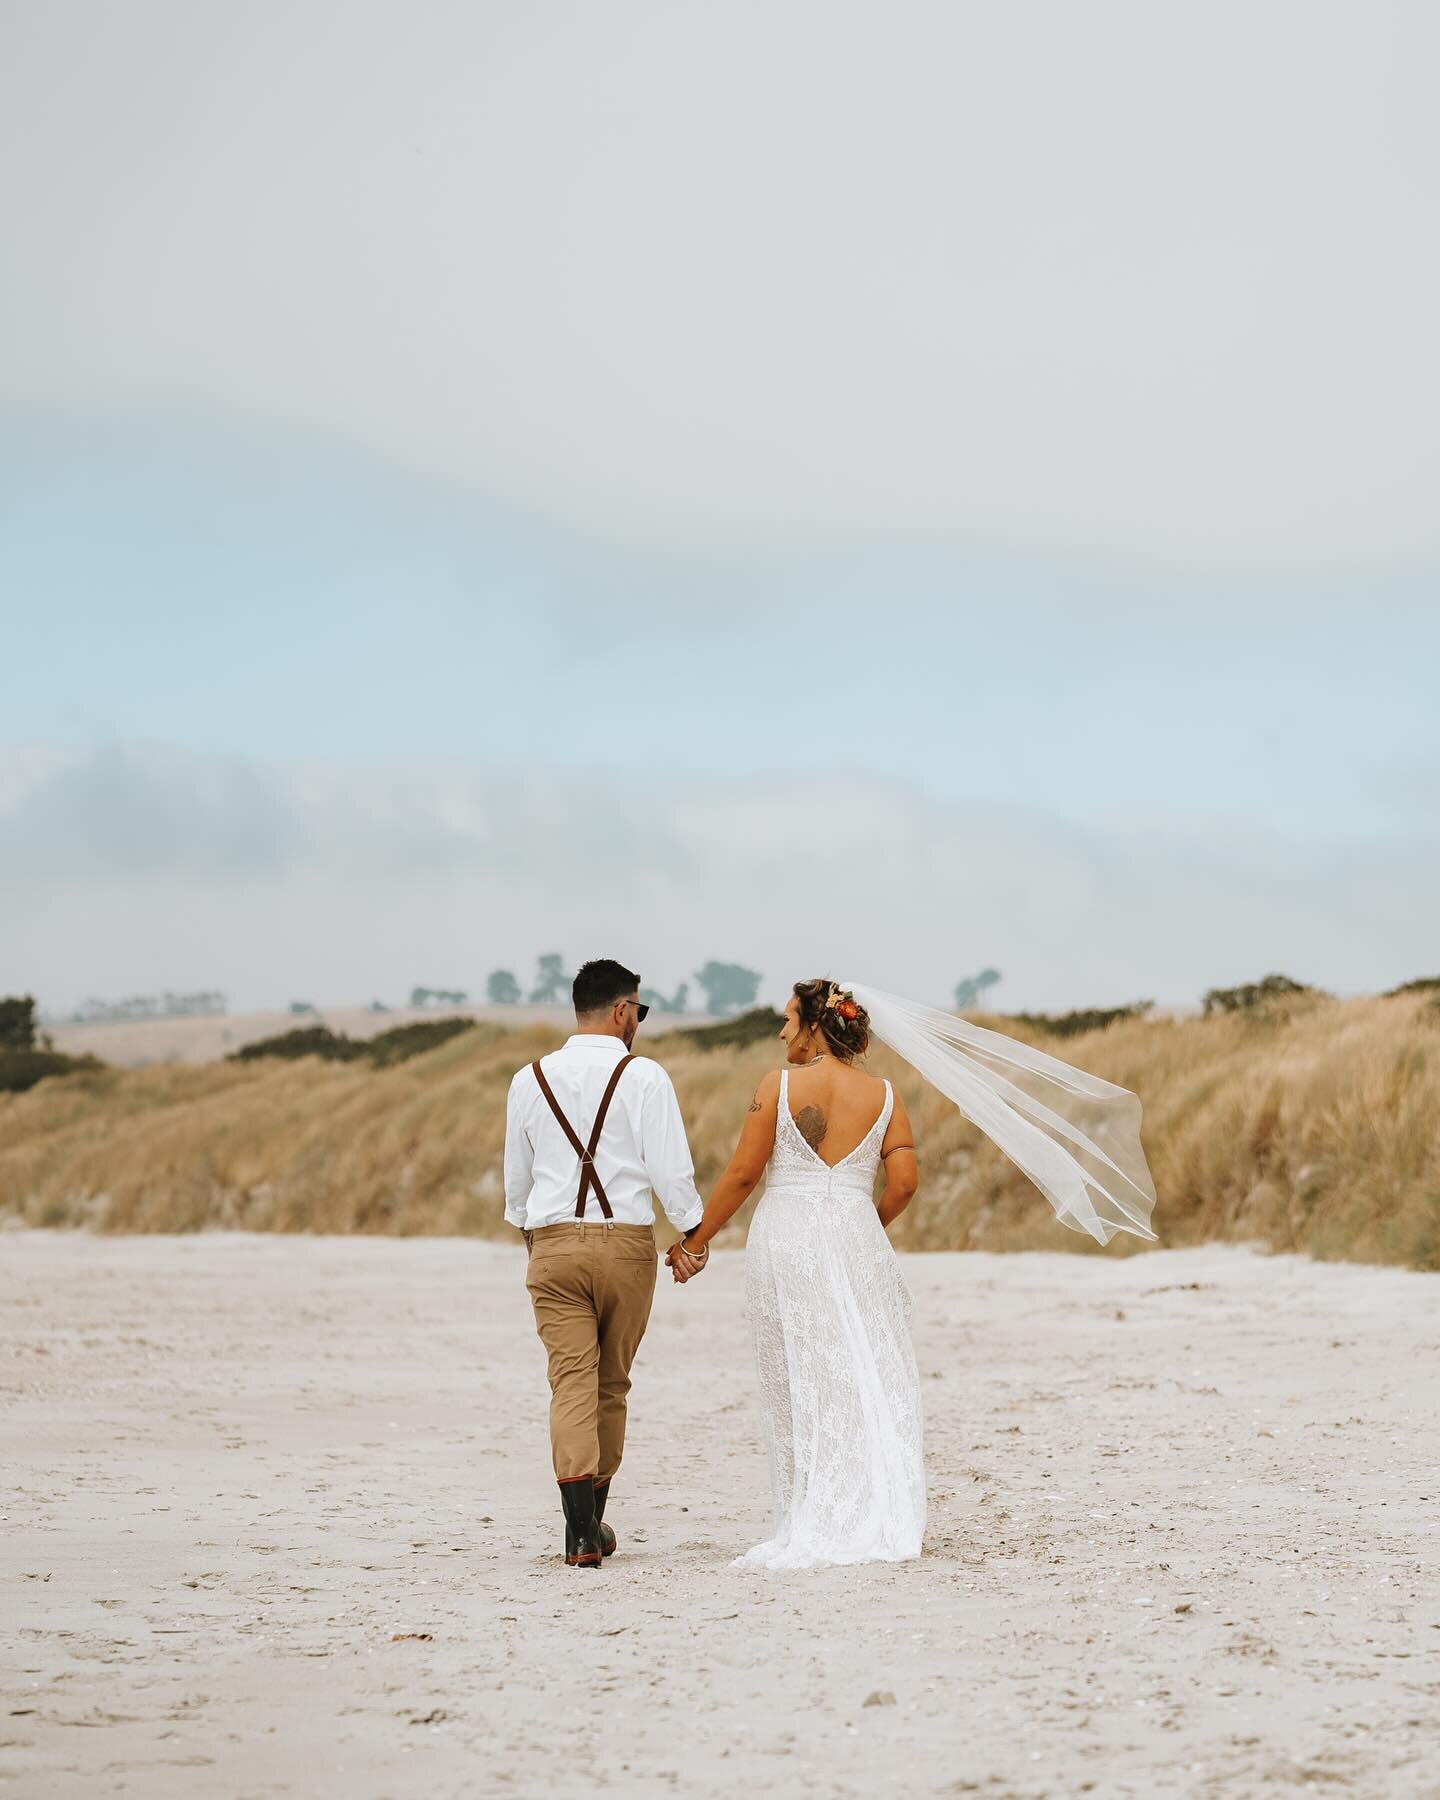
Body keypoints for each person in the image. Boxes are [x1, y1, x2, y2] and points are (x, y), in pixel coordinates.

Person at [668, 977, 1157, 1569]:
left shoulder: (779, 1085)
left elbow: (744, 1174)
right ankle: (875, 1503)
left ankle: (810, 1510)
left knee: (800, 1368)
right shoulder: (886, 1095)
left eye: (789, 1018)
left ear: (816, 1024)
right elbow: (904, 1185)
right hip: (856, 1235)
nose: (781, 1031)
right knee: (865, 1367)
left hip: (789, 1235)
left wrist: (697, 1241)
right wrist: (862, 1227)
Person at [504, 958, 705, 1569]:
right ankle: (591, 1523)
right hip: (625, 1246)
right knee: (610, 1385)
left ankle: (580, 1533)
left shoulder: (528, 1079)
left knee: (570, 1383)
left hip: (554, 1243)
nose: (638, 1023)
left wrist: (537, 1237)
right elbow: (670, 1170)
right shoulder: (644, 1077)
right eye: (638, 1011)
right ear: (622, 1010)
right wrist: (693, 1232)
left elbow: (517, 1183)